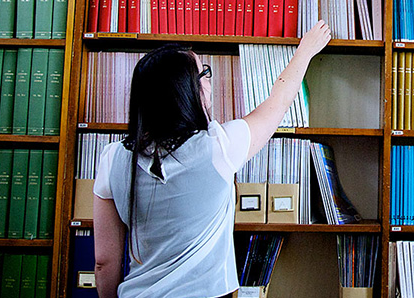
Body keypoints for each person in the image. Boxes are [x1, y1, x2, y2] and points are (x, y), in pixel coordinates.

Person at [92, 20, 331, 298]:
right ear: (189, 91)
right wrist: (305, 50)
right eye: (203, 73)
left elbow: (104, 262)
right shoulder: (219, 147)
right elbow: (277, 103)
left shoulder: (112, 158)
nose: (209, 80)